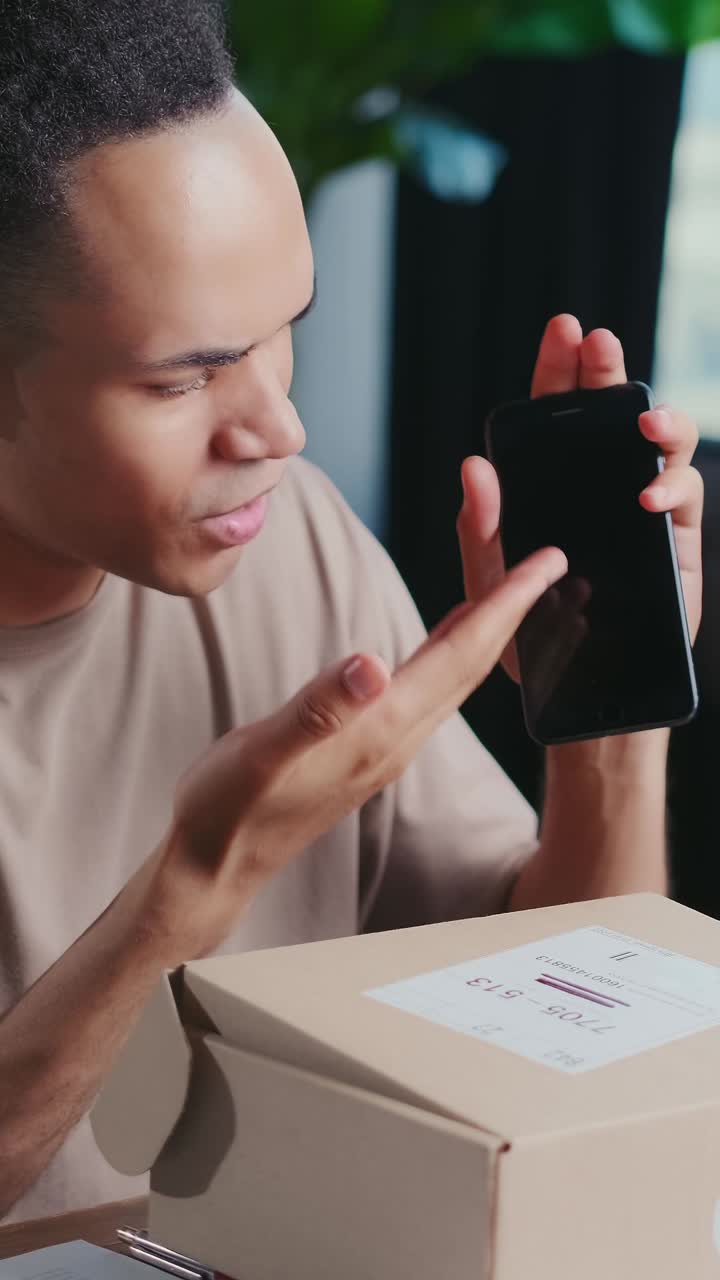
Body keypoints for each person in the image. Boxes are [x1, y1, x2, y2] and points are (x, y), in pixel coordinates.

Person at [0, 0, 703, 1228]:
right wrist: (196, 887)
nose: (278, 428)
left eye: (285, 338)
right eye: (186, 376)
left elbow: (564, 1007)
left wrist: (608, 706)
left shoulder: (289, 539)